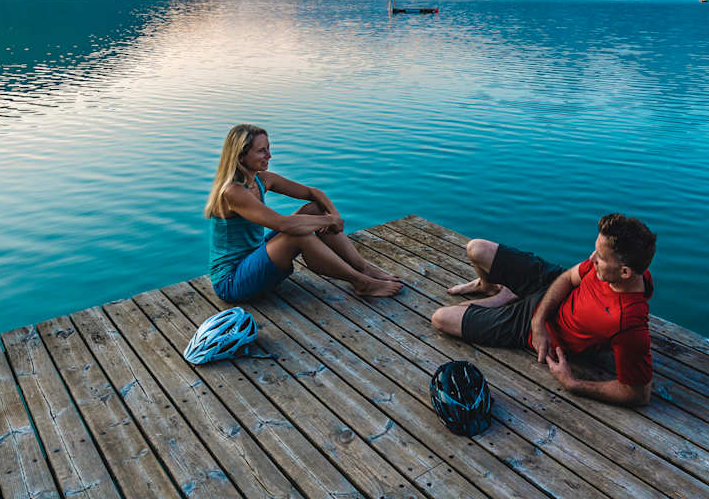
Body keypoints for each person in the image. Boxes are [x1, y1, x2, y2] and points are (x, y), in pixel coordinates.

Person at [430, 214, 656, 406]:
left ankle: (506, 297)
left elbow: (638, 393)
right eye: (595, 250)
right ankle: (491, 289)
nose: (592, 258)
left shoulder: (627, 324)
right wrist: (538, 321)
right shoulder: (616, 270)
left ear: (625, 272)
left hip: (530, 327)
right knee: (476, 248)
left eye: (600, 257)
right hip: (548, 289)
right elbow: (568, 276)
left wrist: (573, 383)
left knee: (441, 318)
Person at [204, 124, 401, 302]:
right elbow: (283, 225)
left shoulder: (261, 179)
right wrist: (329, 221)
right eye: (261, 151)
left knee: (315, 209)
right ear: (241, 156)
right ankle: (361, 282)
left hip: (255, 255)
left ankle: (362, 267)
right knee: (297, 236)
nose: (269, 156)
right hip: (232, 281)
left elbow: (312, 192)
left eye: (268, 148)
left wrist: (333, 215)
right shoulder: (233, 191)